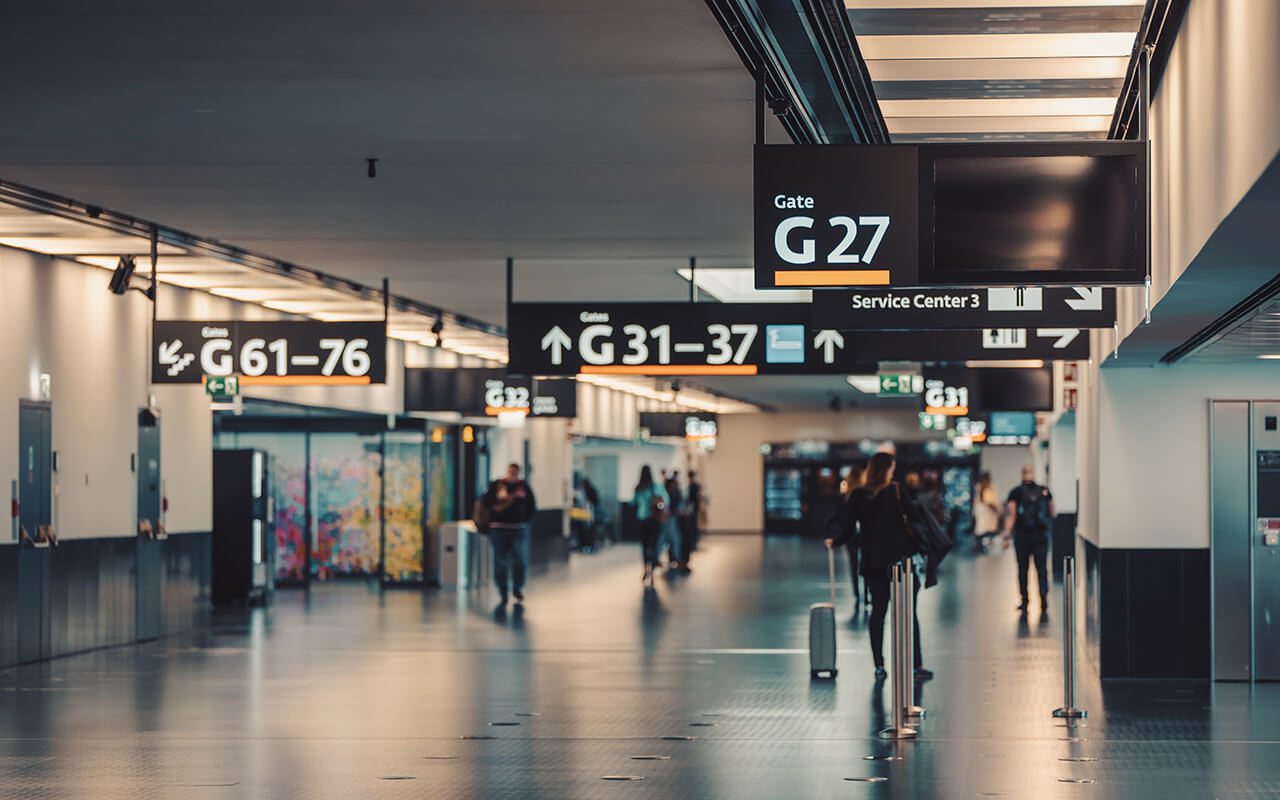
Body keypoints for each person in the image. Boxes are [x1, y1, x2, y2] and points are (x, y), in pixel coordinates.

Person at [826, 452, 930, 680]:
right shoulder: (896, 490)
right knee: (908, 614)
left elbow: (849, 529)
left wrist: (835, 542)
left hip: (874, 562)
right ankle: (915, 664)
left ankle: (879, 665)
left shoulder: (857, 496)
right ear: (887, 470)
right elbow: (915, 518)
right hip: (901, 562)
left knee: (878, 613)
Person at [481, 463, 536, 606]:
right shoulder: (497, 485)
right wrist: (497, 497)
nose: (512, 474)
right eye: (510, 471)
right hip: (498, 528)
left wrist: (524, 519)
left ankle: (517, 588)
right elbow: (485, 502)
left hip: (518, 528)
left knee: (520, 559)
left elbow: (531, 505)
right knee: (500, 561)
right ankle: (503, 590)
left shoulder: (523, 487)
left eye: (515, 472)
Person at [1002, 465, 1054, 613]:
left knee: (1023, 568)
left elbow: (1011, 516)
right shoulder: (1044, 491)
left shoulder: (1015, 492)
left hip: (1022, 536)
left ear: (1022, 474)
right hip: (1041, 536)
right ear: (1033, 474)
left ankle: (1025, 601)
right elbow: (1053, 512)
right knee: (1041, 568)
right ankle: (1043, 599)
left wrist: (1006, 536)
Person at [634, 465, 669, 586]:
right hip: (654, 519)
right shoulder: (656, 487)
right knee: (654, 546)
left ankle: (645, 571)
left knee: (644, 546)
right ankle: (652, 572)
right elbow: (666, 500)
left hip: (643, 520)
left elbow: (633, 502)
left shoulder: (638, 488)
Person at [972, 472, 1001, 553]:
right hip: (986, 512)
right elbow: (988, 500)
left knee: (981, 531)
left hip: (984, 512)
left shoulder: (982, 486)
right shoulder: (986, 487)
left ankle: (980, 546)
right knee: (983, 531)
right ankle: (981, 546)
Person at [662, 471, 685, 570]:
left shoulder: (670, 493)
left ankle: (674, 559)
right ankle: (677, 559)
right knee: (675, 539)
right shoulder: (667, 494)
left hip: (669, 518)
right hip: (668, 519)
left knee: (666, 540)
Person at [680, 471, 703, 565]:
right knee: (692, 527)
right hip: (691, 510)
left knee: (693, 527)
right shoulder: (692, 486)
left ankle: (693, 543)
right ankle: (693, 543)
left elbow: (692, 499)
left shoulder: (694, 486)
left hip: (692, 510)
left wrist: (689, 509)